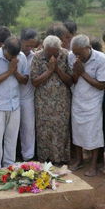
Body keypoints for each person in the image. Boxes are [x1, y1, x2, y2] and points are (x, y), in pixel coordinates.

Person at [0, 36, 28, 168]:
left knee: (12, 138)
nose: (11, 58)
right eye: (9, 56)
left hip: (15, 104)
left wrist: (15, 71)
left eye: (13, 56)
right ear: (3, 47)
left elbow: (25, 80)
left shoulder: (21, 57)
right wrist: (9, 71)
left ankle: (9, 165)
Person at [30, 35, 72, 164]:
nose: (52, 56)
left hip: (62, 102)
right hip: (43, 102)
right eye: (49, 53)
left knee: (61, 130)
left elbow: (70, 81)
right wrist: (49, 71)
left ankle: (60, 158)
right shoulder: (37, 57)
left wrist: (57, 69)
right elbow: (34, 82)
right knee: (43, 130)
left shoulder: (66, 55)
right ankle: (45, 158)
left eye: (56, 52)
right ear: (44, 47)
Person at [68, 34, 105, 176]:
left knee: (93, 133)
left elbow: (101, 85)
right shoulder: (72, 56)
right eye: (74, 52)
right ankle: (79, 160)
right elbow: (73, 80)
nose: (76, 55)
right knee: (77, 130)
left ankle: (94, 164)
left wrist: (82, 72)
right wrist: (77, 73)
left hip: (93, 101)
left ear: (88, 48)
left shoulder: (101, 59)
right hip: (78, 98)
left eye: (79, 52)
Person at [19, 28, 39, 161]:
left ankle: (28, 156)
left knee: (28, 127)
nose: (29, 48)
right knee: (12, 129)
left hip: (28, 97)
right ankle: (14, 155)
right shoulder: (13, 54)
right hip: (12, 96)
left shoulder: (35, 57)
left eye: (32, 45)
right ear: (21, 41)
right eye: (27, 45)